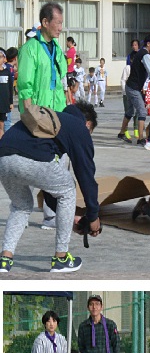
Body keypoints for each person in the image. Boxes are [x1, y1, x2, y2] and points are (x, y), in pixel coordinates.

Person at [0, 100, 101, 273]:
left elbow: (50, 188)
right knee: (68, 190)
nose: (88, 136)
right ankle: (61, 259)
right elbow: (86, 175)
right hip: (31, 159)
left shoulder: (52, 121)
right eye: (90, 132)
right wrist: (93, 216)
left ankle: (5, 259)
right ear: (88, 124)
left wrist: (71, 218)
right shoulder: (78, 127)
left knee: (21, 206)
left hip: (3, 157)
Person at [16, 2, 68, 113]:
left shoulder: (57, 48)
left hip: (57, 111)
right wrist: (30, 114)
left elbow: (61, 77)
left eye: (61, 23)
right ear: (45, 22)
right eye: (58, 23)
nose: (60, 28)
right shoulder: (30, 49)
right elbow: (25, 85)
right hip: (39, 113)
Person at [119, 34, 150, 146]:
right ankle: (140, 138)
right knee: (142, 111)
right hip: (133, 88)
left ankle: (121, 133)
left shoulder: (140, 53)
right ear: (148, 44)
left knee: (130, 112)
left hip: (130, 86)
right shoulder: (145, 55)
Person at [0, 48, 13, 140]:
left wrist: (10, 102)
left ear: (4, 58)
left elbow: (10, 88)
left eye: (1, 57)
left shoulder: (6, 72)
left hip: (3, 102)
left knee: (2, 123)